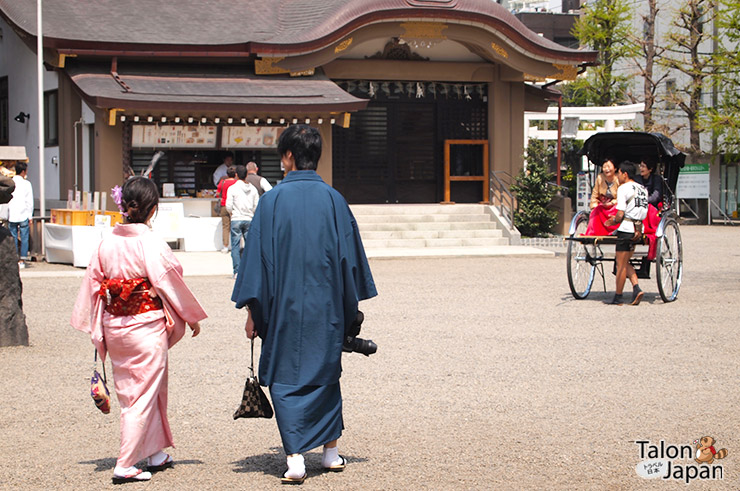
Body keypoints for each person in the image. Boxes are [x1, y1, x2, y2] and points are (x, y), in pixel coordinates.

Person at [231, 125, 377, 485]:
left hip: (283, 308)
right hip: (326, 307)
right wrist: (350, 309)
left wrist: (252, 311)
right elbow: (350, 260)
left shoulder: (273, 201)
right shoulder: (333, 199)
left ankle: (295, 458)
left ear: (288, 157)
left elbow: (256, 263)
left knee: (285, 378)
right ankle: (330, 454)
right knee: (326, 374)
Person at [70, 177, 207, 483]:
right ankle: (126, 463)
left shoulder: (106, 242)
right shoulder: (150, 242)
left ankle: (156, 452)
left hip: (115, 325)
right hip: (145, 327)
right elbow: (169, 280)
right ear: (153, 210)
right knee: (140, 396)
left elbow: (94, 284)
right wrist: (190, 316)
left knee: (144, 389)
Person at [604, 161, 648, 306]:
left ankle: (618, 297)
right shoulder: (643, 189)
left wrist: (612, 222)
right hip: (638, 229)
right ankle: (636, 288)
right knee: (625, 262)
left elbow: (620, 213)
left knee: (620, 265)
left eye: (619, 173)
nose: (617, 176)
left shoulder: (624, 188)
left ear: (625, 174)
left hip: (626, 229)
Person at [225, 165, 259, 278]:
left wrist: (233, 213)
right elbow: (256, 206)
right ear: (247, 175)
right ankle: (250, 270)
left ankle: (237, 271)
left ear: (236, 175)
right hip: (249, 218)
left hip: (236, 218)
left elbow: (228, 205)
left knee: (235, 246)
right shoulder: (253, 189)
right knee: (250, 246)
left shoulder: (232, 188)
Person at [8, 162, 34, 269]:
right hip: (23, 213)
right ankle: (22, 259)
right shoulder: (26, 184)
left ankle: (14, 258)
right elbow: (29, 201)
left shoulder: (11, 182)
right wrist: (30, 215)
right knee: (24, 237)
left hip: (12, 213)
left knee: (13, 236)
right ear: (23, 171)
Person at [585, 158, 619, 236]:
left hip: (615, 204)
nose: (606, 169)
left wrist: (612, 203)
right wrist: (594, 205)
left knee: (618, 210)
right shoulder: (600, 178)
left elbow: (621, 197)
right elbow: (595, 193)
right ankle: (595, 232)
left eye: (609, 167)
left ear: (615, 168)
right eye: (604, 167)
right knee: (596, 210)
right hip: (603, 204)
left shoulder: (618, 179)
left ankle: (614, 231)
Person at [216, 166, 238, 253]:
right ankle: (235, 246)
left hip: (224, 205)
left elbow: (217, 194)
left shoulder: (223, 182)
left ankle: (225, 247)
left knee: (225, 226)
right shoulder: (237, 183)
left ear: (227, 174)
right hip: (235, 206)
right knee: (235, 226)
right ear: (236, 174)